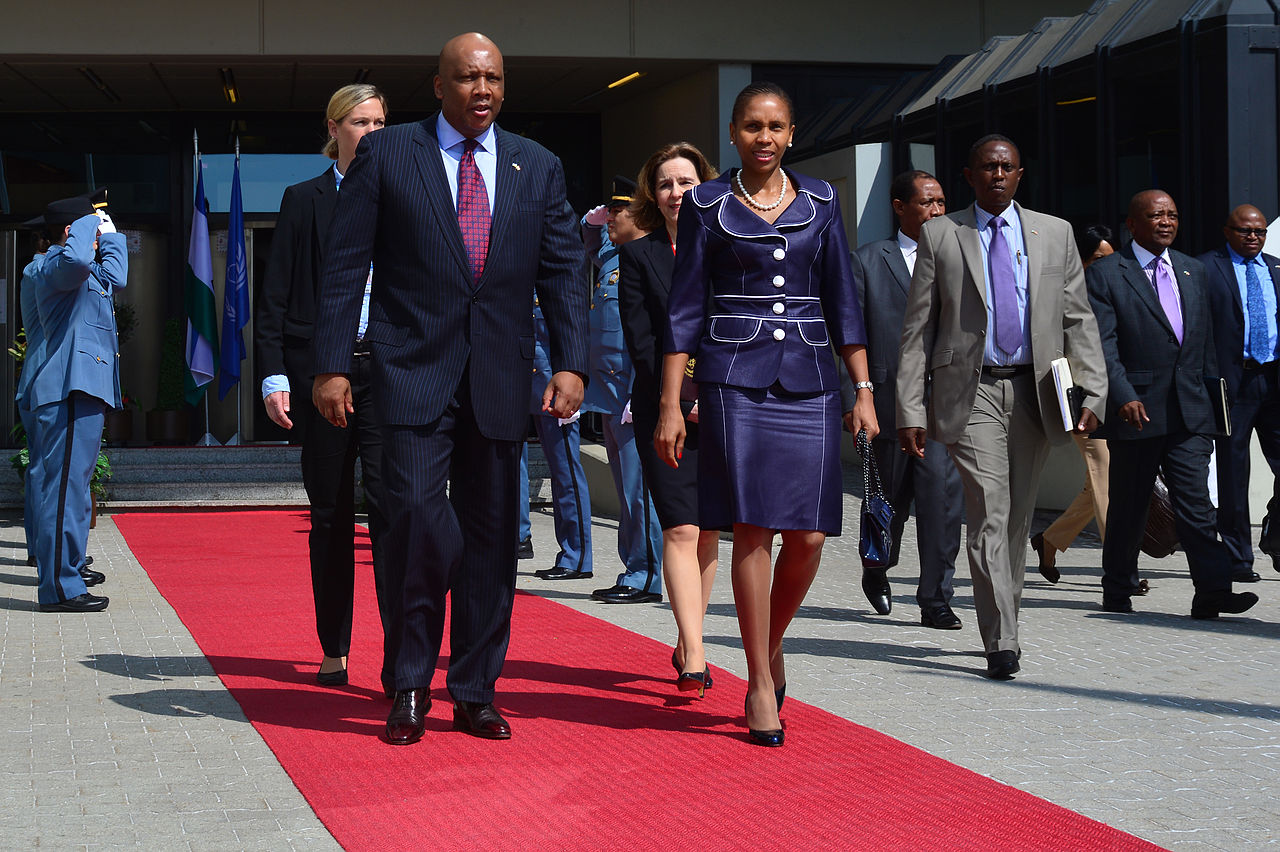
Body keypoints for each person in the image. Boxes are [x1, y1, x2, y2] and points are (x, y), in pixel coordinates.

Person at [311, 32, 587, 746]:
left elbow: (562, 272)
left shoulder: (539, 166)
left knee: (493, 539)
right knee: (409, 521)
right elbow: (346, 265)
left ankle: (474, 689)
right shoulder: (388, 153)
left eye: (493, 77)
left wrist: (572, 363)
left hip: (499, 376)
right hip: (408, 372)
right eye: (467, 78)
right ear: (439, 86)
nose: (483, 90)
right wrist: (332, 364)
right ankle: (408, 684)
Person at [662, 83, 877, 746]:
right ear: (733, 133)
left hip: (811, 380)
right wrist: (673, 403)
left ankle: (769, 641)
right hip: (733, 380)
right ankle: (759, 681)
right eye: (752, 126)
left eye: (776, 126)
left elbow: (842, 295)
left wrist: (863, 387)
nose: (764, 136)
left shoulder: (821, 200)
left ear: (791, 133)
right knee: (753, 530)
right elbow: (684, 311)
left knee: (809, 536)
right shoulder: (706, 204)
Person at [896, 134, 1107, 681]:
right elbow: (917, 329)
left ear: (1019, 175)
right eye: (986, 167)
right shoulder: (941, 234)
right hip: (971, 391)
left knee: (1016, 518)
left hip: (1036, 391)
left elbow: (1078, 319)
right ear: (968, 175)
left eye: (1006, 167)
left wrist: (1095, 391)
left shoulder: (1053, 233)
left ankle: (1001, 619)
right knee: (989, 511)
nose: (996, 175)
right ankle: (1002, 638)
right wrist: (910, 408)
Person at [255, 83, 392, 692]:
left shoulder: (407, 196)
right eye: (361, 122)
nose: (373, 133)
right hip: (322, 378)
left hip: (390, 375)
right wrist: (277, 373)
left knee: (395, 517)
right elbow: (276, 294)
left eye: (383, 123)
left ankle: (402, 657)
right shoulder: (302, 200)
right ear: (333, 128)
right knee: (331, 516)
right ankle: (334, 646)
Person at [1087, 190, 1258, 619]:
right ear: (1133, 224)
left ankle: (1213, 591)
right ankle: (1118, 586)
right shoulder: (1108, 273)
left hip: (1191, 409)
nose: (1166, 221)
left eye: (1172, 215)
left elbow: (1204, 344)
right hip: (1137, 410)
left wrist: (1216, 401)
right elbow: (1102, 345)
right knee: (1130, 504)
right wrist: (1122, 394)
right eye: (1156, 215)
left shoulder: (1192, 269)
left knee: (1196, 503)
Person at [619, 143, 721, 697]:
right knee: (679, 525)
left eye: (685, 182)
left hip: (727, 407)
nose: (676, 193)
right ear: (651, 196)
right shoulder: (638, 257)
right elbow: (642, 344)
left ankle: (689, 636)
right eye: (665, 184)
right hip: (665, 410)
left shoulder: (729, 250)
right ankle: (697, 655)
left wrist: (714, 393)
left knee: (707, 532)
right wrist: (680, 402)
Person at [843, 169, 963, 628]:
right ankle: (876, 568)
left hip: (943, 407)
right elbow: (851, 337)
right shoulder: (870, 261)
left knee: (942, 503)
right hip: (888, 405)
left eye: (941, 202)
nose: (937, 211)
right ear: (899, 207)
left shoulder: (959, 258)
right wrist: (854, 398)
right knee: (887, 503)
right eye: (926, 202)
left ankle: (935, 598)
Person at [25, 193, 127, 613]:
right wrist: (89, 222)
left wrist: (113, 236)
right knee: (63, 491)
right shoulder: (49, 265)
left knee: (73, 489)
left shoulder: (80, 269)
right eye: (92, 227)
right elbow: (77, 263)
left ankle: (66, 573)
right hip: (67, 387)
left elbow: (115, 278)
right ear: (72, 232)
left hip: (84, 388)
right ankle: (60, 587)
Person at [582, 177, 665, 604]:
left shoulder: (648, 261)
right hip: (609, 394)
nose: (610, 218)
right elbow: (586, 241)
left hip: (633, 394)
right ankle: (633, 566)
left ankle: (647, 575)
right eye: (608, 211)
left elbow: (649, 336)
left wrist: (642, 391)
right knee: (625, 489)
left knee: (639, 492)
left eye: (619, 211)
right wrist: (594, 221)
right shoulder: (616, 257)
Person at [1030, 225, 1126, 587]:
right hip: (1080, 398)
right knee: (1104, 472)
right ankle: (1119, 568)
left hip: (1117, 398)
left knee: (1098, 482)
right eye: (1098, 259)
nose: (1106, 266)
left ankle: (1049, 540)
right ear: (1082, 262)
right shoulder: (1063, 295)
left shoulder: (1118, 290)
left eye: (1111, 258)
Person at [1200, 203, 1280, 580]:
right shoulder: (1206, 268)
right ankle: (1237, 558)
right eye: (1246, 231)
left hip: (1274, 380)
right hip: (1232, 385)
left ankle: (1275, 536)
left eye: (1260, 232)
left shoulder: (1277, 269)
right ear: (1227, 231)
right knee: (1234, 475)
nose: (1253, 238)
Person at [528, 285, 594, 582]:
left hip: (554, 387)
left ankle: (576, 556)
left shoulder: (556, 283)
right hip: (519, 379)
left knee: (564, 468)